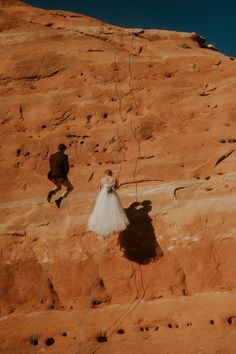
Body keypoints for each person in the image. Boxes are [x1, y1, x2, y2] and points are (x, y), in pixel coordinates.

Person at [87, 169, 129, 239]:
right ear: (111, 173)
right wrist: (111, 188)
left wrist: (105, 189)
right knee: (114, 208)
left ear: (105, 173)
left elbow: (100, 188)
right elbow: (116, 187)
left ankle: (101, 232)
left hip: (103, 194)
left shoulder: (102, 179)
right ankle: (112, 225)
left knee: (101, 209)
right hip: (112, 193)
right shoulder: (114, 178)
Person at [47, 143, 74, 208]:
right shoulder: (64, 156)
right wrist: (65, 176)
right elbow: (67, 168)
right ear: (64, 150)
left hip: (52, 176)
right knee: (70, 188)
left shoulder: (51, 156)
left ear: (58, 148)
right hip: (60, 176)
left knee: (59, 187)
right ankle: (59, 200)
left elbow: (51, 167)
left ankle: (52, 192)